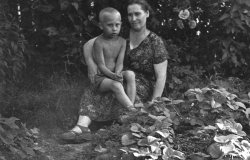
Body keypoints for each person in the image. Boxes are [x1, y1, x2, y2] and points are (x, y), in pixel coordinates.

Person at [60, 0, 168, 142]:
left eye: (137, 14)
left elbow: (161, 76)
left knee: (115, 89)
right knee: (95, 87)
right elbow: (88, 45)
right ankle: (81, 127)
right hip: (117, 74)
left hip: (140, 84)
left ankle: (123, 127)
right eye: (130, 15)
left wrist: (154, 104)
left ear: (147, 14)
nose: (133, 19)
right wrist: (91, 64)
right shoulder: (119, 31)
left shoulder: (155, 42)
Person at [92, 7, 136, 111]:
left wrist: (117, 73)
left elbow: (119, 62)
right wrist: (112, 76)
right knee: (116, 85)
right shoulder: (99, 42)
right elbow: (101, 65)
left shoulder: (122, 41)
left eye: (117, 25)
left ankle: (130, 105)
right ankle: (133, 111)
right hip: (101, 78)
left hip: (115, 73)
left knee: (130, 74)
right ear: (101, 25)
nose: (114, 28)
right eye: (110, 25)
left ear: (121, 24)